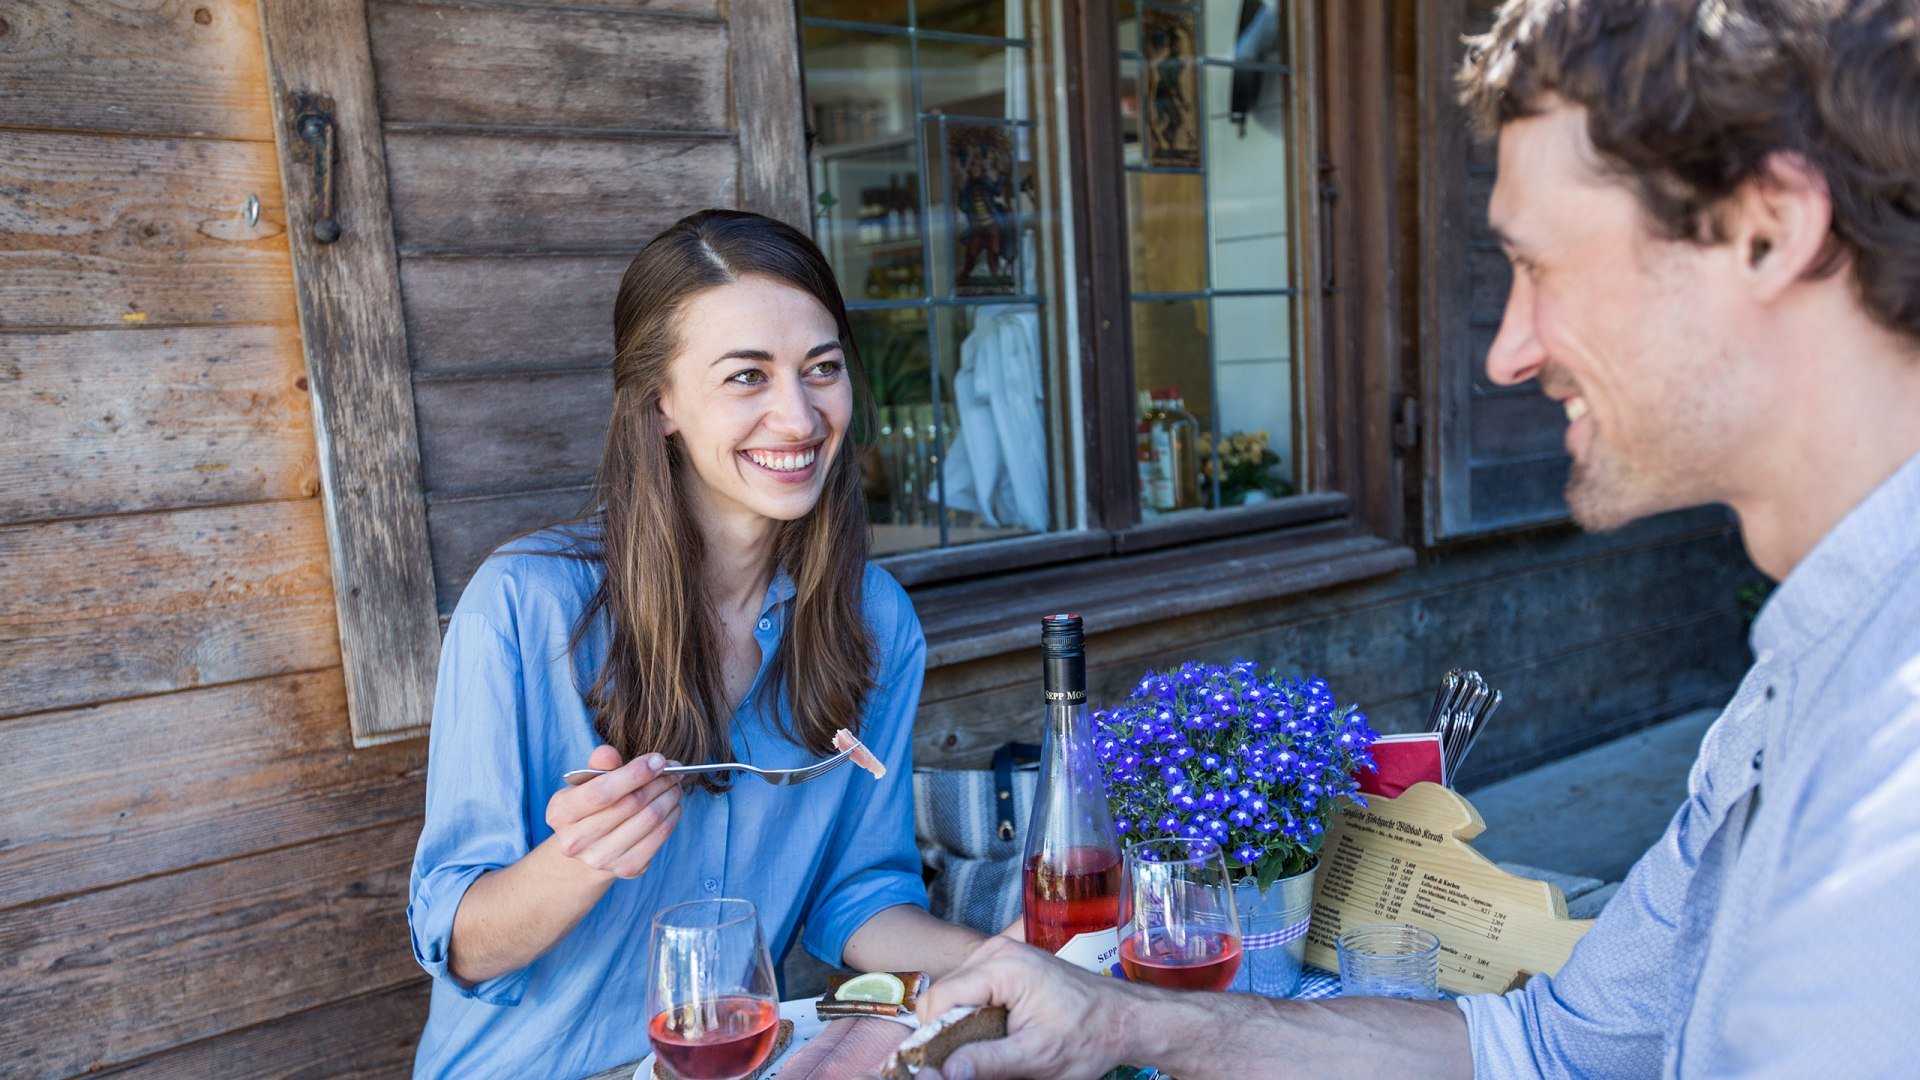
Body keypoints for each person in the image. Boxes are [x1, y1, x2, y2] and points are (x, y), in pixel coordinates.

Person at [918, 1, 1920, 1076]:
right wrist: (1125, 1019)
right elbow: (1544, 1046)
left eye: (1540, 265)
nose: (1509, 353)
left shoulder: (1892, 762)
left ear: (1770, 228)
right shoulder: (1802, 675)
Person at [406, 210, 988, 1079]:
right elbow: (463, 944)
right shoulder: (522, 606)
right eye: (746, 376)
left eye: (821, 369)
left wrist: (1010, 963)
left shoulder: (874, 618)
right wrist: (583, 857)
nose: (798, 416)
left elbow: (855, 895)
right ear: (661, 403)